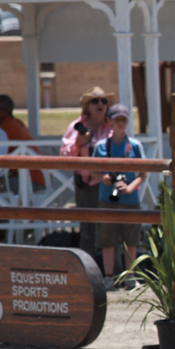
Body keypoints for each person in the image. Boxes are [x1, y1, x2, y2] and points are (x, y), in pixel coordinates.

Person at [93, 103, 146, 291]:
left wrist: (130, 188)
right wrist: (104, 178)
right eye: (117, 120)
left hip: (130, 200)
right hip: (107, 199)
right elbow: (93, 171)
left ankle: (130, 276)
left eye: (124, 120)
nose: (121, 123)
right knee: (107, 240)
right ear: (110, 122)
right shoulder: (100, 146)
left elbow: (143, 173)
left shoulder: (135, 145)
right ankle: (109, 277)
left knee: (131, 240)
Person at [60, 86, 114, 260]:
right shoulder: (77, 126)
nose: (100, 104)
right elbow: (64, 155)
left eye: (103, 101)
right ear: (87, 106)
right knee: (88, 230)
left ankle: (115, 273)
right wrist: (78, 142)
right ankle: (87, 271)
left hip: (108, 183)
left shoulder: (113, 125)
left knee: (112, 228)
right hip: (86, 185)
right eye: (95, 101)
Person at [0, 94, 46, 194]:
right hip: (26, 178)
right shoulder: (16, 123)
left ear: (3, 112)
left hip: (30, 182)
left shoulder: (7, 128)